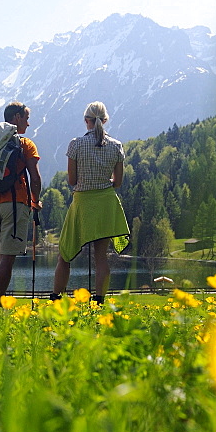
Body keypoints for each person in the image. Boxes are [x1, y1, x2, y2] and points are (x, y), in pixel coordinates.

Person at [52, 101, 130, 304]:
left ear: (86, 121)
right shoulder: (116, 146)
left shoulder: (75, 144)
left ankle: (56, 297)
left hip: (82, 204)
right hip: (105, 203)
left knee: (65, 254)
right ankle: (100, 299)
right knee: (101, 256)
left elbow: (72, 181)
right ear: (105, 121)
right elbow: (118, 182)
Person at [0, 101, 42, 306]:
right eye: (26, 118)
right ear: (16, 118)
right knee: (7, 257)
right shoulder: (25, 144)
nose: (28, 124)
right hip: (15, 204)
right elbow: (35, 177)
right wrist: (35, 201)